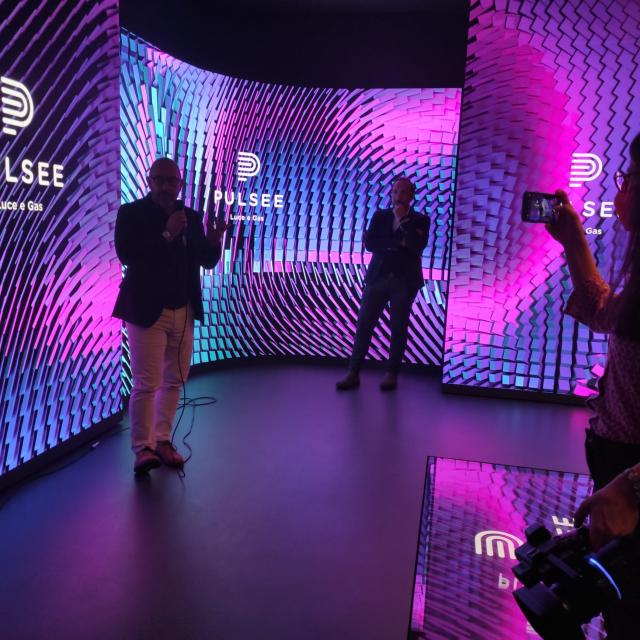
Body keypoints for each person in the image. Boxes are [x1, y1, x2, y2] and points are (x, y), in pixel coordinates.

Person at [546, 133, 640, 638]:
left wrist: (633, 485)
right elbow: (607, 311)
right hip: (615, 468)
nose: (621, 190)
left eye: (629, 178)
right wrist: (574, 241)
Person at [113, 158, 228, 474]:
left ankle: (163, 440)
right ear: (150, 181)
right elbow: (127, 255)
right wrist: (166, 234)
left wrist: (214, 242)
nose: (166, 186)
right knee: (146, 383)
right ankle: (143, 449)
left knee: (175, 380)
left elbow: (205, 260)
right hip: (146, 311)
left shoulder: (190, 216)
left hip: (184, 310)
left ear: (180, 185)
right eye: (160, 180)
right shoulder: (132, 213)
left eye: (171, 181)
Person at [337, 177, 429, 391]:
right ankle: (353, 372)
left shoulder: (421, 220)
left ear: (411, 196)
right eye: (395, 191)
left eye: (403, 192)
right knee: (364, 324)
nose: (398, 196)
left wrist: (403, 224)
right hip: (377, 279)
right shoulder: (380, 216)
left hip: (404, 281)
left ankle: (391, 373)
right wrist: (398, 244)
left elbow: (417, 245)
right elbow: (370, 243)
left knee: (398, 328)